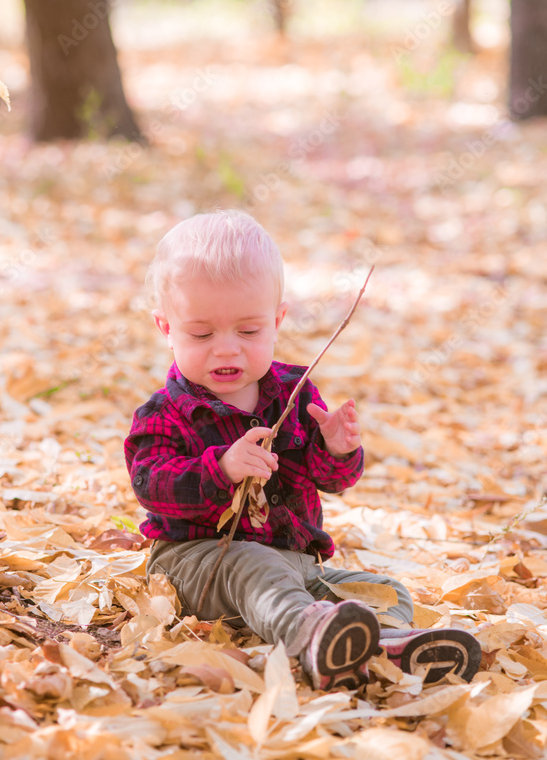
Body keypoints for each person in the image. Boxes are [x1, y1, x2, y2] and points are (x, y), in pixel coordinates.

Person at [124, 210, 481, 691]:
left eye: (248, 332)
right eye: (202, 334)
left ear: (277, 320)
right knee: (255, 569)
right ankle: (311, 635)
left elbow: (332, 480)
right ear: (166, 327)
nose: (226, 350)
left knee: (381, 588)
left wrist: (337, 449)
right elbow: (152, 484)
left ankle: (376, 644)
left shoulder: (295, 392)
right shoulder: (164, 413)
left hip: (295, 560)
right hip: (200, 563)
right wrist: (222, 470)